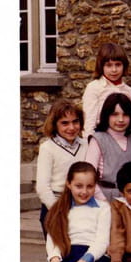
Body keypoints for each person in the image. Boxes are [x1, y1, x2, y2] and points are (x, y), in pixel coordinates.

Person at [35, 99, 87, 236]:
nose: (71, 127)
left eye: (75, 121)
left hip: (82, 206)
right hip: (56, 206)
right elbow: (42, 187)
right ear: (54, 124)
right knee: (58, 248)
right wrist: (59, 213)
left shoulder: (86, 145)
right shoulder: (48, 148)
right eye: (65, 123)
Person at [85, 93, 131, 201]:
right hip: (104, 197)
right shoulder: (98, 140)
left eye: (125, 114)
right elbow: (88, 175)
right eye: (115, 114)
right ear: (106, 116)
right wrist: (103, 201)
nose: (121, 119)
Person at [82, 42, 131, 137]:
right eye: (109, 65)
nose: (114, 70)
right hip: (101, 137)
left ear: (124, 65)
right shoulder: (94, 88)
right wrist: (89, 142)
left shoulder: (129, 91)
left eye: (118, 65)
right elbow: (89, 122)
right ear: (101, 66)